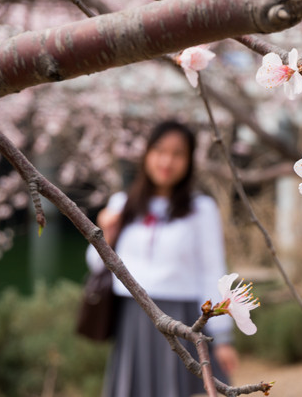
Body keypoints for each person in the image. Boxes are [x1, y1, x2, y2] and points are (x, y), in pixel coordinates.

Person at [86, 120, 238, 397]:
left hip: (183, 317)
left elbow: (212, 272)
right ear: (147, 154)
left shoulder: (201, 210)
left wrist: (223, 337)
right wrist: (106, 232)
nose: (167, 161)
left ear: (189, 161)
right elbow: (97, 265)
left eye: (178, 153)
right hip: (132, 317)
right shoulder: (122, 204)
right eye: (159, 150)